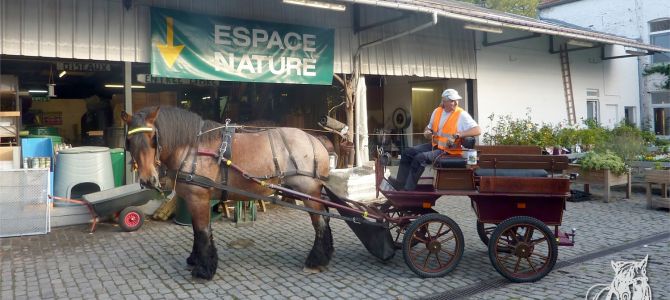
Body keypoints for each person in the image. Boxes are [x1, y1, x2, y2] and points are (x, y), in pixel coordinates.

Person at [391, 89, 481, 191]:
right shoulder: (437, 111)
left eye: (456, 100)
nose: (455, 103)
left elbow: (477, 130)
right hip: (435, 145)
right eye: (452, 100)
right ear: (444, 101)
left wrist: (460, 134)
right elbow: (428, 128)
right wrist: (427, 132)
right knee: (407, 152)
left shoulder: (461, 114)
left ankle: (408, 189)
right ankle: (400, 183)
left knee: (420, 158)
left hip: (449, 150)